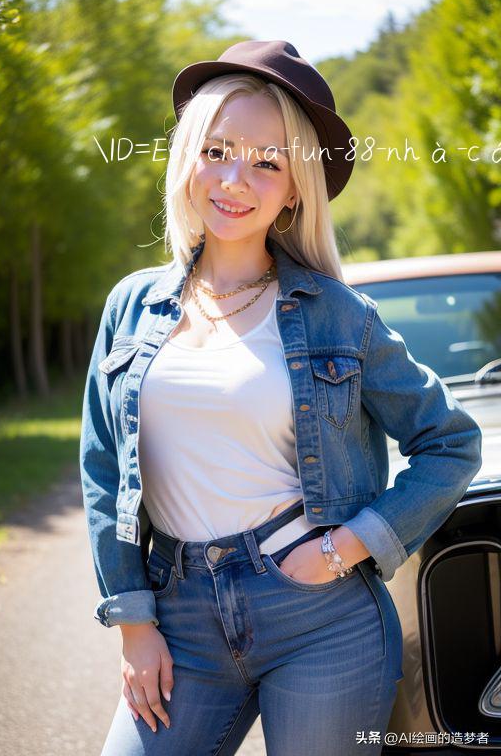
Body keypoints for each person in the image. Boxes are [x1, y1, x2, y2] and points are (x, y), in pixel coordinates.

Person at [79, 40, 482, 756]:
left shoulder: (339, 315)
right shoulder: (131, 306)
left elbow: (449, 442)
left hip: (321, 617)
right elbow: (103, 467)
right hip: (181, 620)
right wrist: (135, 623)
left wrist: (349, 546)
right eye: (219, 150)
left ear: (296, 189)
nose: (236, 179)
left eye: (269, 162)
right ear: (189, 157)